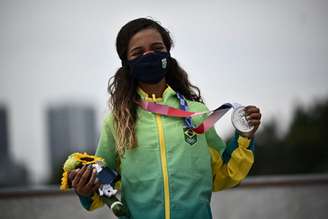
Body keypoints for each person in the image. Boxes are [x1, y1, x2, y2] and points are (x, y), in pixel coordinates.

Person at [69, 17, 261, 219]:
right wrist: (85, 190)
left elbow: (223, 173)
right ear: (127, 63)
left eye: (156, 48)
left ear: (168, 55)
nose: (149, 55)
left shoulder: (196, 113)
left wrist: (245, 136)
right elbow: (102, 183)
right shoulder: (118, 121)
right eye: (138, 52)